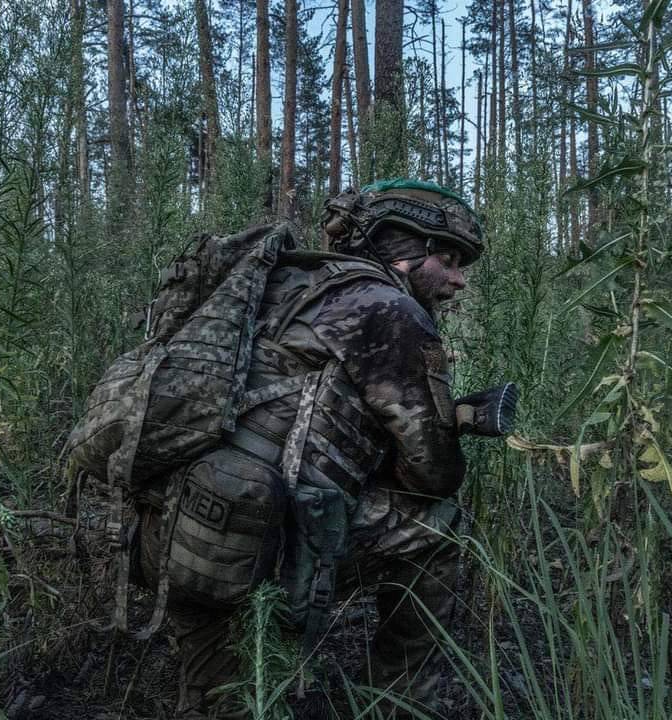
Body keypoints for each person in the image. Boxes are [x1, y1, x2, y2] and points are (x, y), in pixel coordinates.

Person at [135, 179, 517, 719]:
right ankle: (398, 701)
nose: (458, 279)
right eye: (449, 259)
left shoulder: (282, 283)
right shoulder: (388, 309)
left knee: (221, 693)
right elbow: (434, 473)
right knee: (440, 528)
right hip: (264, 540)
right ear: (405, 252)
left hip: (173, 527)